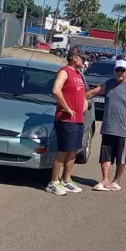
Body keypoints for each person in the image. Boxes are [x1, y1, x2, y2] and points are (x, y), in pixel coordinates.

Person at [85, 59, 126, 191]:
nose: (120, 73)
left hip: (124, 130)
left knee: (121, 158)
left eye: (122, 71)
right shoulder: (108, 84)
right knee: (105, 156)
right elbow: (93, 93)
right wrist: (76, 100)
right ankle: (105, 180)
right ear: (114, 71)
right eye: (117, 70)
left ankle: (116, 181)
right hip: (108, 127)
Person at [47, 47, 89, 195]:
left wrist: (84, 102)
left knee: (73, 150)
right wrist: (66, 108)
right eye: (82, 57)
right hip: (66, 120)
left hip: (78, 119)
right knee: (63, 151)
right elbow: (56, 90)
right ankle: (53, 182)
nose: (84, 60)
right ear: (74, 57)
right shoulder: (65, 71)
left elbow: (81, 93)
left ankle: (66, 179)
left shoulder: (79, 74)